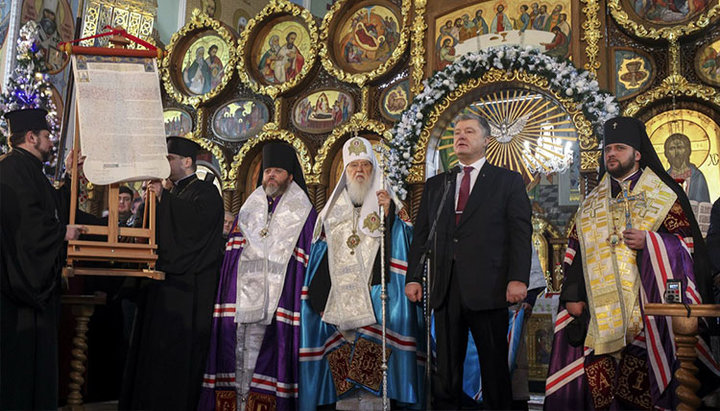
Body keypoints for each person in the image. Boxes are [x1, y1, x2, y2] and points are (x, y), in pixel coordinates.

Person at [546, 117, 716, 410]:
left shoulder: (664, 196)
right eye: (608, 149)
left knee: (644, 393)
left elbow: (688, 246)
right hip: (599, 316)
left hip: (650, 311)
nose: (611, 154)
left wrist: (651, 242)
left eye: (620, 148)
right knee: (602, 392)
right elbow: (575, 250)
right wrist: (572, 295)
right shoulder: (591, 203)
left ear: (637, 154)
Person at [405, 113, 532, 409]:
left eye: (469, 131)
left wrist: (518, 279)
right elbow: (422, 234)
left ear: (486, 140)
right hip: (445, 288)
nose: (461, 136)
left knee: (494, 371)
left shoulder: (507, 181)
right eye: (457, 132)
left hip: (489, 289)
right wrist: (413, 276)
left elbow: (520, 233)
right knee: (446, 373)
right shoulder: (438, 184)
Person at [300, 137, 424, 409]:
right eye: (353, 165)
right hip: (338, 307)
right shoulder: (330, 211)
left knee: (375, 384)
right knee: (344, 388)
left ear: (374, 169)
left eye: (365, 165)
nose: (359, 171)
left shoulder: (391, 204)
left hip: (378, 299)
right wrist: (319, 299)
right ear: (345, 171)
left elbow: (405, 245)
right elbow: (320, 256)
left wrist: (388, 213)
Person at [199, 143, 317, 410]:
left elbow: (306, 260)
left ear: (290, 175)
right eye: (267, 171)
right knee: (237, 357)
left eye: (277, 171)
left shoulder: (304, 213)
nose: (271, 176)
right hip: (240, 302)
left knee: (269, 358)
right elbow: (232, 257)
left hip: (280, 303)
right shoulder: (249, 209)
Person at [121, 136, 224, 411]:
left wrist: (164, 198)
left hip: (188, 292)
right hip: (162, 288)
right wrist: (150, 202)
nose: (164, 164)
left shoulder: (205, 192)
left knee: (175, 362)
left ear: (187, 162)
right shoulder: (173, 192)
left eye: (169, 158)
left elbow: (192, 229)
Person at [1, 108, 86, 410]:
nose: (51, 143)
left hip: (33, 291)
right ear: (31, 137)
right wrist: (61, 233)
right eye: (47, 137)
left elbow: (51, 208)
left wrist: (69, 175)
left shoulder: (29, 169)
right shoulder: (11, 170)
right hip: (19, 292)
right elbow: (26, 227)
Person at [664, 133, 710, 203]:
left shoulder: (697, 176)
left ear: (688, 151)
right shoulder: (665, 177)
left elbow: (703, 203)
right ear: (666, 153)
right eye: (672, 148)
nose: (676, 153)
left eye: (680, 147)